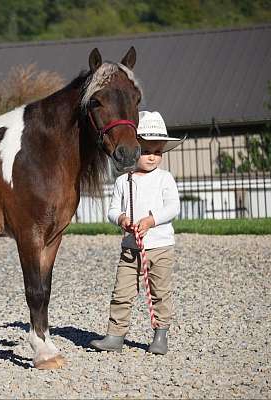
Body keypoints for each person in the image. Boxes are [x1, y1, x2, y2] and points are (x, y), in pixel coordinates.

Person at [90, 111, 185, 355]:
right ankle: (115, 335)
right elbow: (112, 210)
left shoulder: (165, 179)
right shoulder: (124, 181)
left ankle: (160, 334)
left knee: (159, 291)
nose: (152, 157)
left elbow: (173, 207)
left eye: (158, 152)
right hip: (131, 248)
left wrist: (152, 221)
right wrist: (122, 219)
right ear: (135, 149)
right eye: (146, 150)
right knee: (122, 291)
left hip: (160, 247)